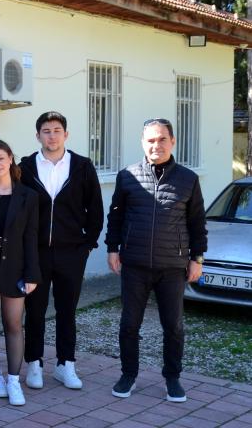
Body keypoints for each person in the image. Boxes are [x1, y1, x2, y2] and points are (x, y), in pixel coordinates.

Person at [105, 118, 207, 403]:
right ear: (142, 143)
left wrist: (197, 258)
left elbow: (197, 223)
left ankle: (172, 378)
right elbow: (115, 217)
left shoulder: (188, 179)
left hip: (172, 267)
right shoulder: (127, 176)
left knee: (173, 327)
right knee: (129, 325)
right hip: (135, 265)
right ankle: (128, 375)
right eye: (150, 140)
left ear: (172, 141)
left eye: (162, 139)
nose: (156, 145)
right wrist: (112, 248)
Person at [19, 112, 103, 391]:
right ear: (38, 135)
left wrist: (87, 245)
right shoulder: (25, 168)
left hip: (71, 253)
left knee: (67, 310)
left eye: (57, 130)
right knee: (35, 310)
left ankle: (66, 364)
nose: (52, 135)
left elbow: (95, 209)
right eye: (46, 131)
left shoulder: (82, 166)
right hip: (36, 253)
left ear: (65, 134)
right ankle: (34, 363)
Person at [0, 139, 39, 407]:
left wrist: (32, 274)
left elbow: (31, 237)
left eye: (0, 159)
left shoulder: (28, 196)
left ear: (10, 158)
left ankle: (14, 380)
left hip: (15, 267)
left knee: (14, 324)